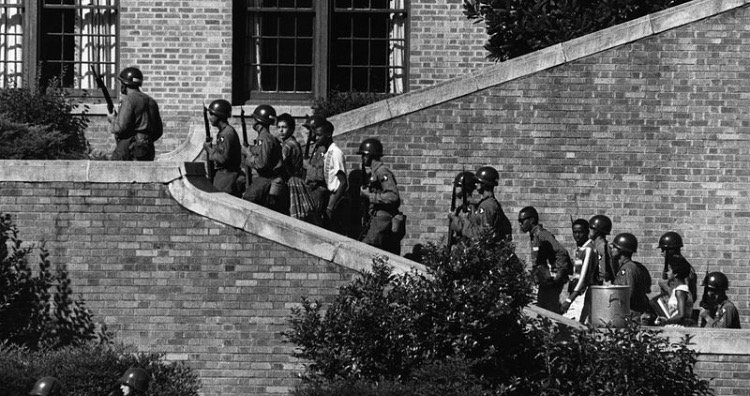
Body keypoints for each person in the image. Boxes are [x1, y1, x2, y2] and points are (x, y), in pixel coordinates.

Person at [518, 206, 572, 314]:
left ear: (532, 220)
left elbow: (562, 252)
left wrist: (558, 274)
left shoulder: (542, 234)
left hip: (551, 283)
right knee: (543, 312)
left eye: (522, 221)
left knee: (551, 312)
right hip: (544, 282)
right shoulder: (534, 235)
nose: (520, 224)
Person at [108, 67, 163, 161]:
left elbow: (120, 128)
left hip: (129, 148)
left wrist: (112, 119)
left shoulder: (128, 100)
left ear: (124, 84)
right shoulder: (152, 101)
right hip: (148, 148)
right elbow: (158, 131)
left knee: (115, 173)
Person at [304, 118, 348, 233]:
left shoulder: (336, 153)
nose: (316, 138)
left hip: (335, 197)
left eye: (319, 135)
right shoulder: (327, 152)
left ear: (328, 135)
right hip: (329, 195)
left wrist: (331, 206)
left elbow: (343, 182)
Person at [359, 138, 402, 254]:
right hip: (376, 217)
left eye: (364, 155)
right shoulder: (374, 172)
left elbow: (393, 196)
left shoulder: (382, 172)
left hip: (383, 218)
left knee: (366, 249)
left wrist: (370, 196)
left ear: (370, 156)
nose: (362, 158)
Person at [448, 166, 512, 243]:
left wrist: (460, 223)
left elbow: (483, 235)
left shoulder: (487, 206)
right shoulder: (486, 203)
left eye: (478, 182)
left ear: (484, 184)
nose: (475, 184)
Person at [242, 104, 283, 210]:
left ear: (258, 121)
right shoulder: (265, 138)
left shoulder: (265, 139)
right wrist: (250, 149)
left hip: (266, 179)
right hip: (264, 179)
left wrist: (248, 154)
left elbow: (261, 163)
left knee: (247, 201)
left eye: (254, 119)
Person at [277, 113, 316, 220]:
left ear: (291, 129)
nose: (281, 130)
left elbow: (279, 163)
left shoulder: (289, 145)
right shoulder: (291, 142)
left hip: (292, 182)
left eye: (284, 127)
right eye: (279, 127)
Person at [561, 219, 598, 323]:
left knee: (576, 325)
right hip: (576, 293)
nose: (577, 235)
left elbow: (584, 277)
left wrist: (569, 300)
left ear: (587, 232)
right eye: (575, 232)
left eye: (580, 232)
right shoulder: (580, 248)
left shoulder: (589, 249)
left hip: (582, 295)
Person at [203, 99, 241, 196]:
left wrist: (209, 150)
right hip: (224, 175)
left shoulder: (226, 134)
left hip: (227, 177)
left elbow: (222, 158)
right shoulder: (224, 132)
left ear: (219, 115)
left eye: (212, 114)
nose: (209, 117)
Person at [610, 233, 652, 319]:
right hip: (637, 313)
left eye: (614, 247)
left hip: (630, 316)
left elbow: (626, 295)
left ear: (620, 250)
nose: (612, 250)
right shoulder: (638, 266)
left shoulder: (626, 269)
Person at [654, 231, 698, 306]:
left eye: (663, 250)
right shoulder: (669, 266)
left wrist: (666, 287)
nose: (661, 253)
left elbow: (688, 297)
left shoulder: (682, 267)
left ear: (671, 250)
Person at [654, 255, 694, 327]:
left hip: (678, 330)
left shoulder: (680, 291)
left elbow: (681, 315)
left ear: (675, 273)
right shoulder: (681, 289)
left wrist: (666, 321)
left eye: (669, 270)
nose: (667, 272)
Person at [589, 215, 614, 283]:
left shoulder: (601, 247)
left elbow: (603, 272)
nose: (589, 230)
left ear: (597, 231)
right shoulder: (597, 245)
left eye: (591, 228)